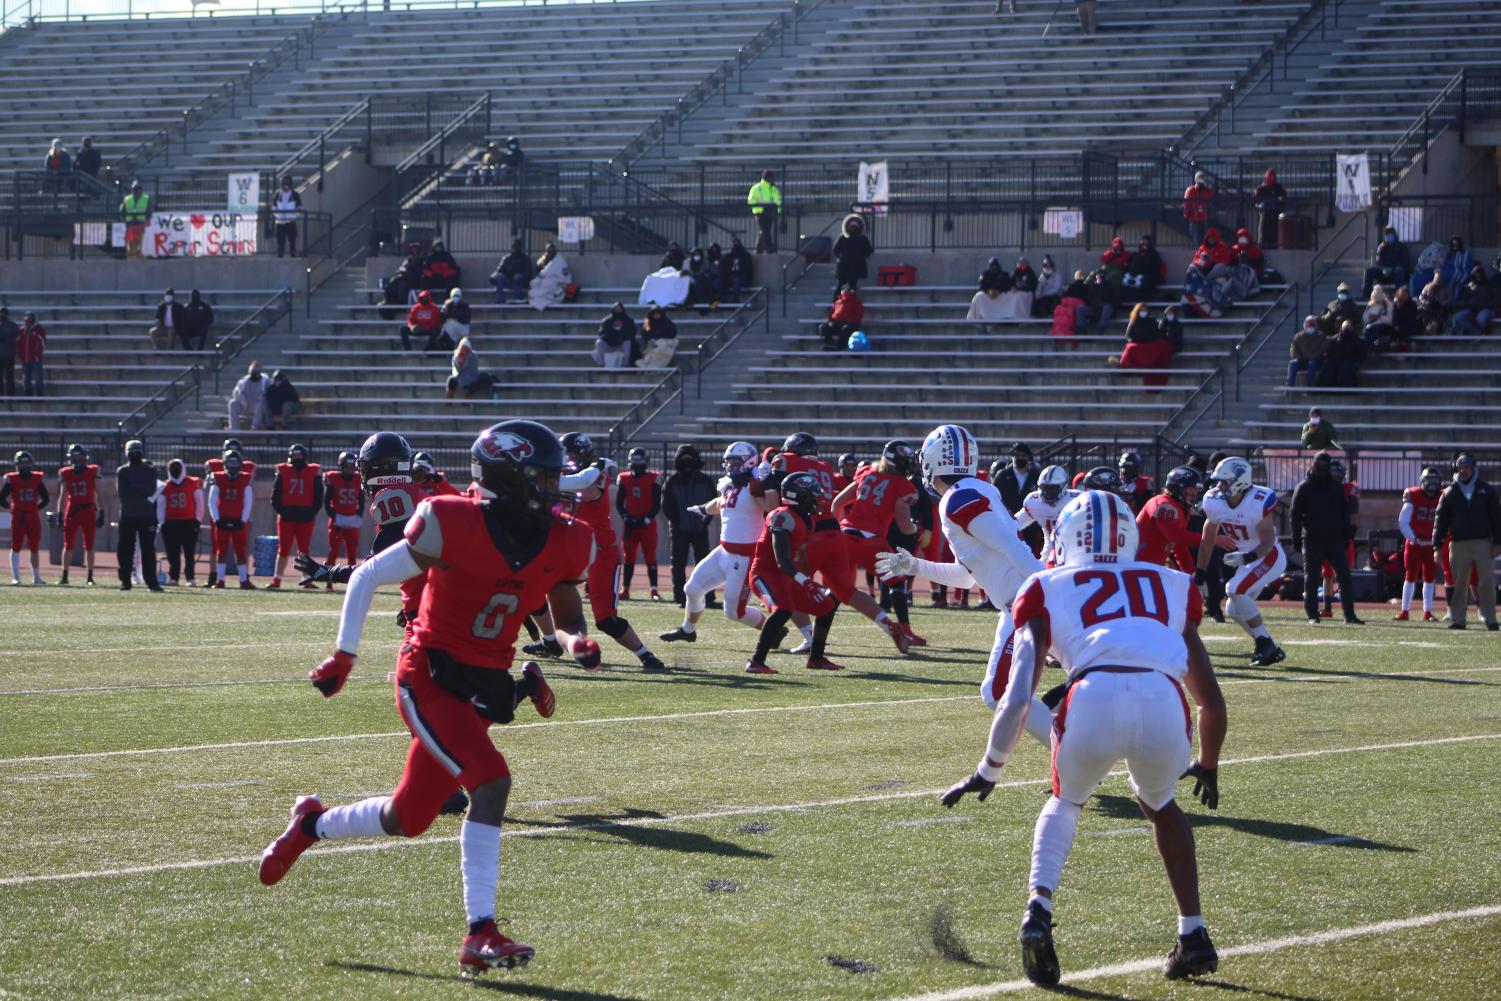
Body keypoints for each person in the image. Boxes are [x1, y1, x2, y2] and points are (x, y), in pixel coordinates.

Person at [258, 421, 599, 976]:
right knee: (491, 781)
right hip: (429, 676)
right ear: (505, 478)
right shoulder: (450, 519)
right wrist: (344, 657)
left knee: (408, 816)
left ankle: (311, 826)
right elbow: (367, 575)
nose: (549, 488)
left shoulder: (566, 537)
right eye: (538, 478)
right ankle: (480, 933)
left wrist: (573, 640)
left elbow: (562, 615)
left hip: (482, 682)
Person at [937, 489, 1226, 989]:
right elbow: (1211, 700)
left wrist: (989, 768)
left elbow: (1017, 697)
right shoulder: (1173, 584)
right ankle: (1194, 932)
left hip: (1091, 697)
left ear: (1066, 538)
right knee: (1162, 806)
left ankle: (1039, 910)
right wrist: (1209, 762)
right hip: (1163, 700)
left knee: (1066, 802)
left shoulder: (1046, 585)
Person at [874, 424, 1051, 720]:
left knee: (998, 693)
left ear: (934, 461)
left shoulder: (957, 499)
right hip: (1019, 604)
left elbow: (1009, 544)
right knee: (1001, 693)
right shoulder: (973, 490)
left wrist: (1049, 588)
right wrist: (916, 566)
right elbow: (966, 576)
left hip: (1027, 602)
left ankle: (1066, 747)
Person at [759, 431, 912, 659]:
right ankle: (888, 624)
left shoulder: (786, 460)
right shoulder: (825, 468)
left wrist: (773, 518)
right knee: (847, 591)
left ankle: (809, 637)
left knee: (789, 585)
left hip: (808, 533)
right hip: (834, 531)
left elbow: (773, 493)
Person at [543, 433, 664, 671]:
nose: (568, 461)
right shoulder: (568, 476)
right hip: (571, 552)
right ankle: (559, 643)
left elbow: (576, 484)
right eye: (564, 456)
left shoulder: (593, 476)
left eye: (573, 456)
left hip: (601, 554)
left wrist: (540, 478)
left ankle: (646, 655)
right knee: (537, 591)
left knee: (606, 620)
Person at [661, 442, 769, 643]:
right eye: (729, 462)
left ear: (749, 462)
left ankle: (772, 631)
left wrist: (759, 484)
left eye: (736, 462)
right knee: (691, 589)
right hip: (724, 551)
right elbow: (720, 503)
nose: (731, 467)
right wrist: (702, 508)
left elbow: (770, 506)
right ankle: (688, 630)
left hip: (745, 558)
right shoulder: (732, 485)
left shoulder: (758, 483)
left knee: (734, 612)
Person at [1195, 457, 1285, 665]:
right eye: (1218, 481)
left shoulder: (1258, 500)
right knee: (1233, 609)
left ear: (1240, 481)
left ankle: (1265, 643)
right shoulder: (1214, 501)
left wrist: (1246, 556)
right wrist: (1200, 573)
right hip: (1247, 558)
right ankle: (1266, 644)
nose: (1219, 486)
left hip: (1268, 556)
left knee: (1234, 589)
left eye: (1224, 481)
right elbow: (1207, 541)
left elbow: (1268, 542)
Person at [832, 440, 922, 646]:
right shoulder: (903, 486)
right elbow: (904, 525)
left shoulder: (866, 473)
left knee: (837, 589)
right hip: (872, 541)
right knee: (897, 582)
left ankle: (814, 639)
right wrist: (915, 528)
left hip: (846, 535)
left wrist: (836, 532)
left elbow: (837, 504)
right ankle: (906, 631)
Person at [1291, 452, 1363, 625]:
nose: (1322, 468)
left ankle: (1349, 615)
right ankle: (1312, 614)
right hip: (1312, 539)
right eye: (1319, 464)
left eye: (1325, 464)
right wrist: (1296, 539)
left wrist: (1346, 536)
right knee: (1312, 578)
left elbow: (1344, 513)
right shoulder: (1304, 487)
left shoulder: (1336, 487)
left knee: (1344, 577)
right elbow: (1295, 514)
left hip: (1334, 539)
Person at [1432, 453, 1501, 630]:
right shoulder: (1449, 492)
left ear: (1473, 468)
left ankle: (1489, 617)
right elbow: (1440, 520)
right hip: (1458, 543)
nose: (1464, 470)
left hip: (1483, 542)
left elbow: (1496, 517)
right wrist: (1437, 545)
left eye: (1467, 466)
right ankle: (1458, 618)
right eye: (1461, 467)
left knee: (1486, 581)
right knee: (1460, 583)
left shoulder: (1486, 490)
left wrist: (1498, 542)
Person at [661, 443, 717, 606]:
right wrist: (676, 521)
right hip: (679, 531)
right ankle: (679, 598)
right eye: (683, 458)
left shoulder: (705, 480)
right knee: (678, 565)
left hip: (700, 529)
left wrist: (705, 521)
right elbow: (666, 506)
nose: (687, 462)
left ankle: (709, 598)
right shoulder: (672, 481)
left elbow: (713, 502)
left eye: (690, 458)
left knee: (705, 565)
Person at [269, 444, 324, 589]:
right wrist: (282, 511)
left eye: (299, 456)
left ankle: (306, 579)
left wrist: (311, 513)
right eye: (295, 456)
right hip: (286, 517)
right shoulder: (283, 470)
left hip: (305, 517)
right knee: (283, 549)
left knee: (304, 550)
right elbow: (275, 496)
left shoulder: (313, 471)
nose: (297, 458)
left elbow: (319, 496)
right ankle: (277, 579)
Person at [1395, 466, 1443, 622]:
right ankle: (1404, 611)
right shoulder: (1413, 495)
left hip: (1432, 543)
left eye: (1435, 480)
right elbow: (1403, 522)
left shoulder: (1443, 496)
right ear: (1422, 481)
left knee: (1430, 577)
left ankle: (1427, 612)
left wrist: (1437, 540)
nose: (1432, 484)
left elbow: (1446, 520)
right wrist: (1414, 539)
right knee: (1410, 576)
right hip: (1415, 542)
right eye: (1429, 480)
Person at [616, 448, 663, 602]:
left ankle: (654, 590)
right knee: (628, 557)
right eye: (634, 460)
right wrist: (626, 518)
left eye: (639, 460)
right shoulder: (623, 478)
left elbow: (657, 503)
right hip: (630, 523)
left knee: (650, 556)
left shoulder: (654, 478)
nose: (637, 463)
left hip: (647, 524)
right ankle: (626, 589)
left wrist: (647, 519)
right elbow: (619, 503)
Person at [115, 439, 162, 592]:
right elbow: (123, 493)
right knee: (125, 550)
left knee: (147, 550)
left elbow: (150, 490)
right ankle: (126, 581)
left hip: (144, 515)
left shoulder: (149, 470)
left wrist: (134, 489)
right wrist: (139, 490)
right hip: (130, 515)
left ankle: (151, 582)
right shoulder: (123, 471)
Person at [1136, 466, 1201, 572]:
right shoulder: (1164, 505)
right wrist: (1208, 539)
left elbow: (1179, 547)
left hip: (1155, 564)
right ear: (1176, 488)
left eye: (1196, 490)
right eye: (1190, 489)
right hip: (1138, 563)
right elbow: (1176, 536)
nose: (1194, 494)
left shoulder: (1183, 509)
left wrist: (1190, 574)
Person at [209, 450, 256, 590]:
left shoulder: (246, 478)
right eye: (230, 462)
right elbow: (212, 501)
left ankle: (243, 580)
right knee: (221, 550)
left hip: (239, 520)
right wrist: (217, 519)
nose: (233, 466)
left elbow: (248, 501)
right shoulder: (217, 477)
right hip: (222, 519)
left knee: (240, 550)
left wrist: (243, 520)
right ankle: (220, 580)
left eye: (235, 463)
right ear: (225, 463)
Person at [2, 450, 49, 585]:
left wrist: (34, 508)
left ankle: (36, 576)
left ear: (31, 464)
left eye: (27, 463)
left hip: (32, 516)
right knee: (16, 546)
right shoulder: (12, 479)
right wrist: (11, 508)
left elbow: (45, 499)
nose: (24, 466)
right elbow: (2, 497)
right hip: (18, 516)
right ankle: (16, 577)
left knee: (34, 546)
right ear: (17, 465)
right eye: (22, 464)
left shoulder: (37, 478)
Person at [57, 443, 101, 586]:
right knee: (68, 544)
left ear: (84, 457)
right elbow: (62, 495)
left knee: (89, 545)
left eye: (79, 456)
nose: (77, 460)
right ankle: (64, 575)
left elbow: (97, 493)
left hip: (88, 509)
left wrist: (101, 510)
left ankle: (90, 576)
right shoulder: (66, 473)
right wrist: (60, 512)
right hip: (73, 510)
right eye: (74, 457)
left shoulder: (92, 471)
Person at [1015, 464, 1079, 563]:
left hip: (1076, 551)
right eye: (1044, 488)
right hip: (1050, 552)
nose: (1047, 493)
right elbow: (1014, 524)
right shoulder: (1035, 502)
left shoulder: (1077, 500)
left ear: (1063, 487)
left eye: (1051, 489)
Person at [157, 458, 204, 586]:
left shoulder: (193, 482)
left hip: (189, 522)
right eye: (172, 468)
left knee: (189, 552)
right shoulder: (164, 486)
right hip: (171, 523)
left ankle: (190, 577)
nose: (175, 470)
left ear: (183, 468)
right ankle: (174, 577)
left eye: (177, 467)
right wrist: (162, 523)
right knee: (173, 553)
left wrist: (197, 520)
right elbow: (161, 506)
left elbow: (200, 503)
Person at [323, 451, 363, 590]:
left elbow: (361, 500)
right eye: (348, 465)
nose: (351, 468)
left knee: (352, 553)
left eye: (353, 465)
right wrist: (335, 518)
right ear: (341, 465)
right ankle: (328, 581)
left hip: (351, 519)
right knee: (333, 551)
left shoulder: (358, 479)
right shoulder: (333, 478)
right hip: (337, 519)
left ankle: (352, 582)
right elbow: (327, 502)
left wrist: (358, 516)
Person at [1115, 302, 1173, 388]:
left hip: (1149, 343)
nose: (1143, 312)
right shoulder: (1133, 321)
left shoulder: (1152, 320)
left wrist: (1147, 339)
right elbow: (1128, 335)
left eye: (1145, 310)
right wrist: (1136, 340)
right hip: (1137, 344)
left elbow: (1155, 333)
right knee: (1130, 348)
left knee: (1162, 346)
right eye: (1141, 310)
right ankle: (1127, 369)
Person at [1364, 225, 1410, 295]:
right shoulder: (1382, 247)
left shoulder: (1401, 247)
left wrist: (1392, 269)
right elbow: (1378, 262)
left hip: (1396, 273)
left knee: (1400, 270)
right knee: (1369, 271)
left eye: (1391, 234)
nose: (1389, 236)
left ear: (1394, 235)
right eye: (1387, 235)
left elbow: (1404, 261)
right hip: (1384, 273)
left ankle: (1399, 295)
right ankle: (1366, 295)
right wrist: (1384, 269)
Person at [832, 215, 873, 292]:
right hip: (844, 266)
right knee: (840, 285)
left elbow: (868, 250)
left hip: (856, 266)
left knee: (853, 287)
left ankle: (851, 303)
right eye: (851, 227)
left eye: (854, 227)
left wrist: (863, 257)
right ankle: (836, 302)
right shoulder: (842, 237)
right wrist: (840, 256)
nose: (853, 228)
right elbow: (835, 249)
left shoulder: (862, 239)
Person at [1452, 264, 1496, 336]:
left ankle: (1482, 333)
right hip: (1472, 309)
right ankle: (1477, 333)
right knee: (1458, 317)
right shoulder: (1469, 286)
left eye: (1478, 274)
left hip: (1485, 309)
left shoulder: (1488, 285)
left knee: (1481, 320)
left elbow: (1494, 298)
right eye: (1475, 274)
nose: (1477, 276)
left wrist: (1489, 305)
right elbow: (1464, 298)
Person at [1319, 321, 1366, 388]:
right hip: (1337, 360)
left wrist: (1356, 360)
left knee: (1346, 366)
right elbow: (1329, 352)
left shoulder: (1357, 340)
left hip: (1351, 361)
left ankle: (1348, 388)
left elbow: (1362, 354)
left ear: (1352, 328)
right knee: (1328, 365)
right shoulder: (1335, 339)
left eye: (1348, 327)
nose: (1346, 329)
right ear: (1341, 328)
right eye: (1345, 327)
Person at [592, 302, 636, 369]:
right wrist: (610, 335)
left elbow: (632, 333)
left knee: (628, 342)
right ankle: (601, 364)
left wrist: (622, 336)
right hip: (609, 343)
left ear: (622, 309)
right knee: (599, 343)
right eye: (616, 309)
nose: (617, 310)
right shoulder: (606, 320)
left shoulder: (628, 320)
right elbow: (601, 332)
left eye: (619, 309)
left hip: (622, 344)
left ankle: (625, 364)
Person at [529, 243, 571, 311]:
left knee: (542, 292)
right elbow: (541, 274)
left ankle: (547, 303)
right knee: (532, 292)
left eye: (552, 251)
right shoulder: (545, 261)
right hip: (544, 286)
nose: (550, 253)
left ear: (555, 251)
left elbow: (566, 279)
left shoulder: (560, 262)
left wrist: (552, 280)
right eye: (549, 251)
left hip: (555, 288)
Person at [1121, 236, 1165, 303]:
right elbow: (1129, 266)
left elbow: (1153, 267)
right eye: (1142, 244)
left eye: (1146, 243)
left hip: (1149, 276)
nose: (1144, 245)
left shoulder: (1154, 255)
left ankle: (1141, 300)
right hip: (1135, 275)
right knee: (1125, 280)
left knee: (1145, 281)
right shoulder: (1135, 254)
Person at [821, 285, 864, 351]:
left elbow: (858, 315)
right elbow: (832, 313)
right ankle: (829, 343)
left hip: (850, 324)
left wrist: (848, 321)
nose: (844, 292)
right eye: (843, 290)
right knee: (823, 327)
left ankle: (839, 346)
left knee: (846, 329)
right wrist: (830, 321)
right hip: (837, 323)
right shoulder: (838, 302)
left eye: (846, 290)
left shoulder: (856, 301)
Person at [747, 170, 781, 253]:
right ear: (767, 178)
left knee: (765, 230)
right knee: (765, 230)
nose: (773, 180)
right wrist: (761, 205)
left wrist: (778, 211)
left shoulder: (774, 189)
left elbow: (778, 202)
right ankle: (768, 246)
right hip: (760, 213)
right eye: (772, 178)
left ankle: (758, 249)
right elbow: (750, 200)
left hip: (771, 213)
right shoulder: (757, 188)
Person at [1287, 315, 1325, 387]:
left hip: (1315, 361)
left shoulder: (1321, 336)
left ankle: (1310, 386)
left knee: (1312, 363)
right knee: (1293, 363)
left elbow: (1321, 350)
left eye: (1311, 325)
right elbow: (1293, 349)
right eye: (1308, 325)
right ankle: (1289, 386)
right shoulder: (1298, 336)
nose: (1309, 327)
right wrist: (1300, 358)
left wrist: (1311, 357)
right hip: (1302, 360)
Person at [226, 361, 265, 430]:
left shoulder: (264, 381)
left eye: (256, 371)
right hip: (245, 406)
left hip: (257, 409)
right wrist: (242, 400)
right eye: (253, 371)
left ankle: (255, 427)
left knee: (261, 402)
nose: (255, 373)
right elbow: (235, 394)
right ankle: (234, 428)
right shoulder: (243, 382)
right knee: (232, 403)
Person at [1253, 169, 1286, 248]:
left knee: (1275, 232)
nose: (1270, 179)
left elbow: (1284, 200)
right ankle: (1262, 246)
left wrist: (1279, 201)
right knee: (1263, 232)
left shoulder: (1279, 188)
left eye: (1271, 177)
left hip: (1276, 214)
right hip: (1264, 213)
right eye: (1268, 177)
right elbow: (1255, 201)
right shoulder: (1261, 188)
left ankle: (1275, 246)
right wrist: (1259, 205)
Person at [273, 176, 302, 258]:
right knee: (280, 240)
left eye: (287, 183)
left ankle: (293, 253)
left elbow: (300, 207)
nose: (286, 185)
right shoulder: (278, 194)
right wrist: (277, 215)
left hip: (291, 221)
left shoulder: (295, 194)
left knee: (292, 239)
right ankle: (280, 253)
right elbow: (274, 207)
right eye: (284, 183)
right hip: (280, 222)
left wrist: (293, 215)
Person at [16, 312, 45, 397]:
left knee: (38, 378)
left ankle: (40, 394)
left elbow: (42, 344)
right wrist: (21, 356)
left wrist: (37, 355)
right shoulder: (21, 330)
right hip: (25, 359)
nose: (27, 322)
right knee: (25, 378)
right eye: (26, 320)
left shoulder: (39, 329)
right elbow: (18, 344)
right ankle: (27, 394)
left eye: (29, 319)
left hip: (36, 359)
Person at [1182, 172, 1213, 247]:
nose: (1202, 179)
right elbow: (1186, 204)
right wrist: (1186, 215)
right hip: (1194, 218)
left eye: (1203, 177)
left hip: (1205, 218)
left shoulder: (1208, 191)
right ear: (1196, 179)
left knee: (1206, 237)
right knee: (1196, 237)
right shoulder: (1191, 190)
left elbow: (1211, 203)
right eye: (1200, 177)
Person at [121, 180, 149, 259]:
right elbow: (150, 212)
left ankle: (133, 262)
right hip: (138, 226)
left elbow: (121, 213)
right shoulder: (145, 199)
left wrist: (125, 222)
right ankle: (139, 263)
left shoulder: (127, 199)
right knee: (139, 247)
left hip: (133, 226)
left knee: (133, 247)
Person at [720, 236, 754, 300]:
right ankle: (722, 300)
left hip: (742, 278)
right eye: (734, 243)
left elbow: (749, 270)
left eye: (737, 243)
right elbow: (722, 269)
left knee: (736, 281)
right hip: (730, 278)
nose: (736, 245)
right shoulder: (727, 256)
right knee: (719, 282)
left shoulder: (746, 255)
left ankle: (735, 300)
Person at [1362, 285, 1396, 349]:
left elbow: (1390, 320)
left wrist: (1379, 317)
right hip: (1371, 325)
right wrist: (1370, 318)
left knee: (1376, 329)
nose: (1377, 302)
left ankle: (1375, 349)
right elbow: (1365, 318)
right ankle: (1369, 349)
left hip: (1384, 327)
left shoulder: (1388, 305)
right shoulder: (1370, 305)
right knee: (1367, 330)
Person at [0, 307, 16, 396]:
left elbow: (15, 340)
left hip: (9, 355)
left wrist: (4, 338)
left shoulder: (12, 326)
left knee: (9, 376)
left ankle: (10, 395)